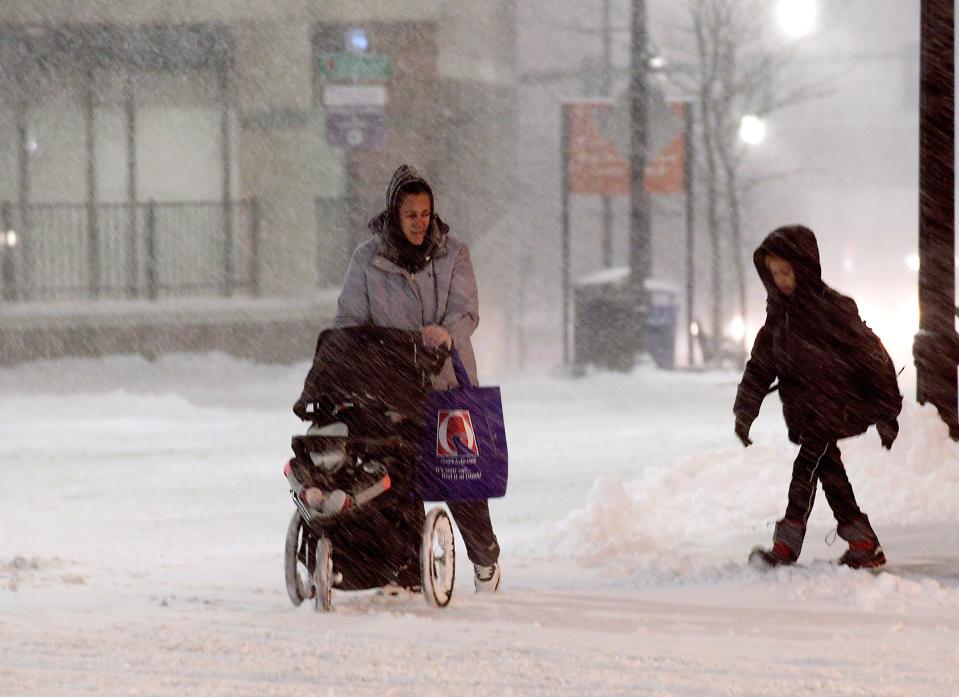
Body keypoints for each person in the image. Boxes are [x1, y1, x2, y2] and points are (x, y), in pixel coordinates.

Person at [333, 163, 502, 592]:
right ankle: (406, 569)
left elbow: (467, 310)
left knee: (461, 475)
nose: (419, 223)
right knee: (398, 478)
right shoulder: (367, 260)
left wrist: (446, 333)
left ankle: (485, 560)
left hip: (446, 384)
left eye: (425, 214)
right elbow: (350, 318)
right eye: (410, 214)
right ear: (394, 214)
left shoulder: (453, 254)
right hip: (391, 387)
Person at [734, 224, 902, 570]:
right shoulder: (778, 317)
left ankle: (786, 546)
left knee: (806, 471)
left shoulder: (833, 310)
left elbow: (873, 357)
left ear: (804, 268)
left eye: (786, 271)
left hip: (835, 407)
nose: (780, 279)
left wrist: (886, 411)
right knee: (830, 475)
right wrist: (745, 409)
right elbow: (760, 366)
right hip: (807, 413)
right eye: (774, 272)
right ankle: (863, 542)